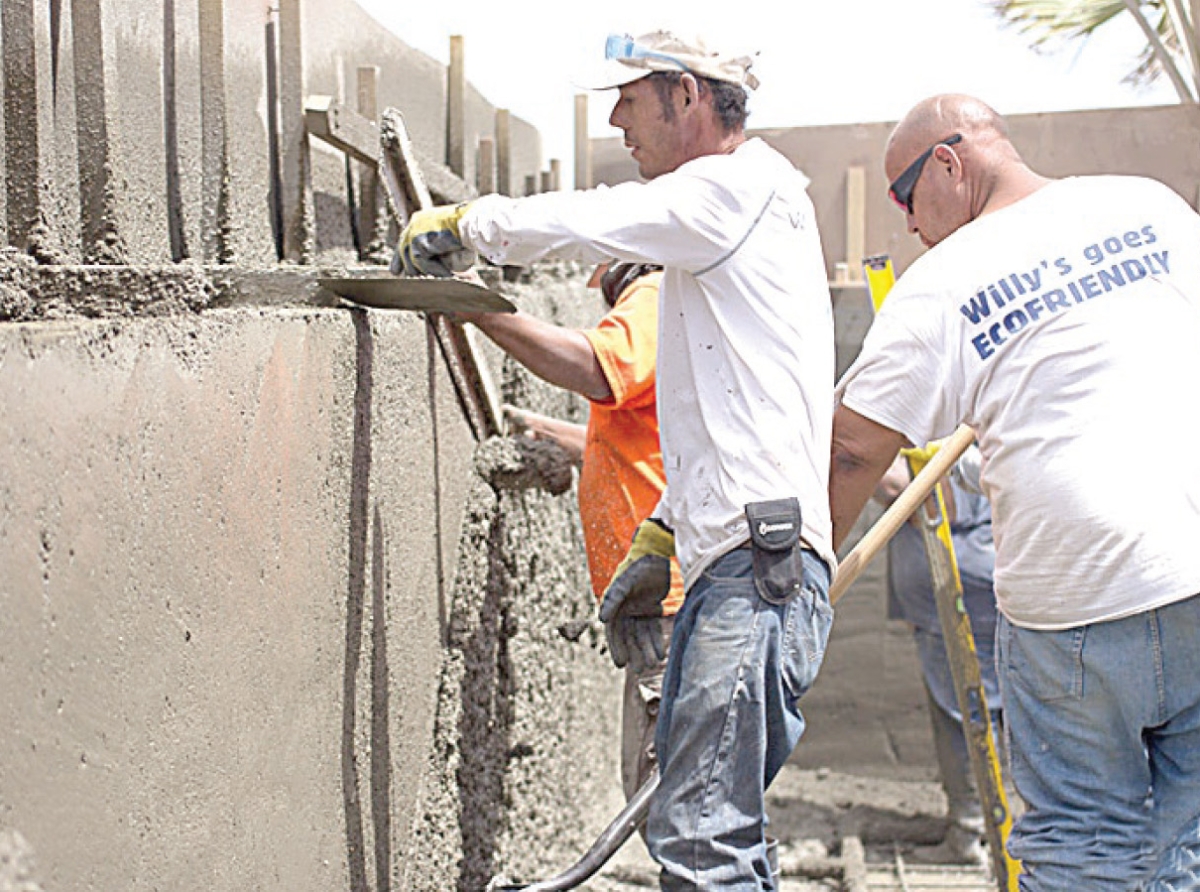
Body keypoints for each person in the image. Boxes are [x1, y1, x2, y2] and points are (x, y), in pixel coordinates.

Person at [397, 30, 837, 891]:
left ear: (687, 95)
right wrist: (666, 532)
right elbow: (735, 419)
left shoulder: (732, 190)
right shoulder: (732, 236)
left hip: (756, 576)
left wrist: (470, 227)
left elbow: (586, 216)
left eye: (629, 100)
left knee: (705, 836)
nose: (615, 119)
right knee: (713, 825)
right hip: (741, 563)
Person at [827, 93, 1200, 891]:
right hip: (1193, 570)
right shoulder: (1150, 204)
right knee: (1189, 839)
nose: (908, 226)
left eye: (905, 196)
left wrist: (792, 588)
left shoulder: (944, 279)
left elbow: (851, 447)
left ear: (951, 165)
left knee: (1082, 845)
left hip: (1074, 605)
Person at [457, 260, 687, 807]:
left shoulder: (653, 294)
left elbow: (602, 369)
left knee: (668, 802)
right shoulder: (674, 299)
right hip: (663, 596)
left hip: (669, 601)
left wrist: (482, 311)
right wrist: (552, 437)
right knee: (666, 792)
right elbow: (644, 446)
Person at [875, 447, 1000, 866]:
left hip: (957, 579)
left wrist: (862, 465)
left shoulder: (953, 416)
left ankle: (972, 835)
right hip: (959, 577)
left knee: (966, 713)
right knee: (974, 710)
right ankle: (979, 826)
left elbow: (936, 500)